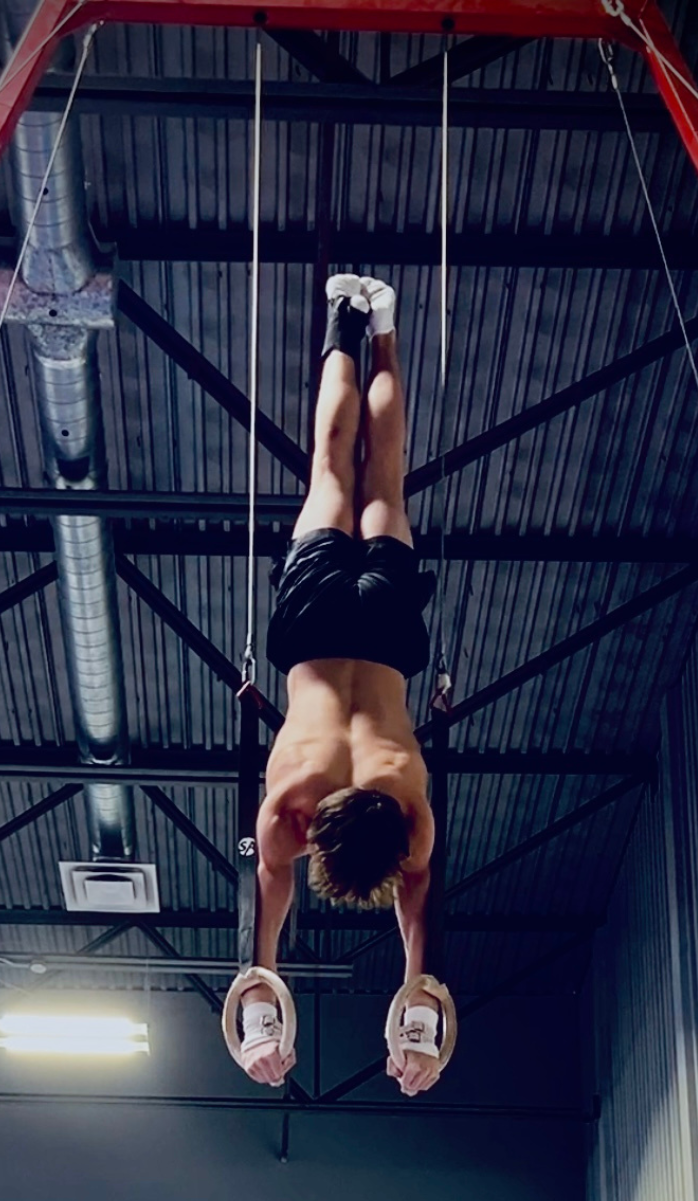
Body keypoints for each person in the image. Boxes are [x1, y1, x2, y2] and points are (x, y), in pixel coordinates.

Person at [236, 274, 445, 1098]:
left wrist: (421, 991)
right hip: (319, 634)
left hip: (382, 637)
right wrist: (258, 1000)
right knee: (330, 465)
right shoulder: (290, 807)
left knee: (382, 476)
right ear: (315, 832)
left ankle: (380, 324)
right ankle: (341, 318)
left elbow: (419, 902)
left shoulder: (408, 814)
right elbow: (264, 902)